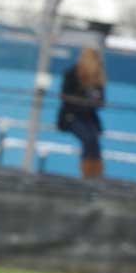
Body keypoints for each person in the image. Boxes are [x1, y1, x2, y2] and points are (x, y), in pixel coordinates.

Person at [57, 47, 107, 178]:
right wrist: (84, 100)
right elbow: (66, 97)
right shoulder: (72, 75)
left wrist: (93, 99)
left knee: (94, 140)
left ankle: (95, 173)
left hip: (88, 117)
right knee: (89, 139)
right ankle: (88, 173)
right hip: (72, 116)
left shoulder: (97, 80)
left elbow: (100, 102)